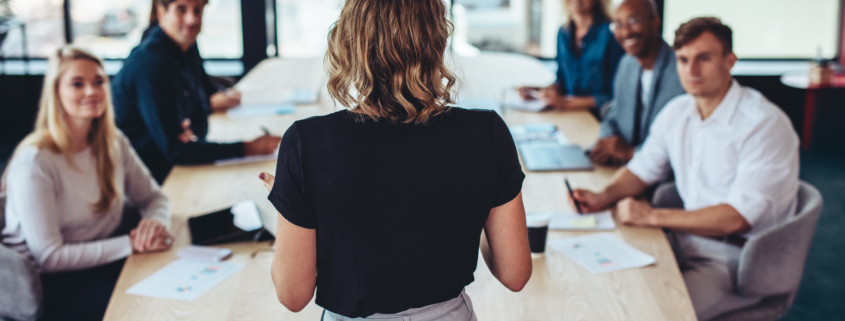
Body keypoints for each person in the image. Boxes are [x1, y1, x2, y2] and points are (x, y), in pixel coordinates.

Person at [257, 0, 533, 319]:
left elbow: (292, 295)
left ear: (348, 41)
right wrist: (475, 198)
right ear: (437, 40)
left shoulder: (306, 143)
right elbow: (514, 274)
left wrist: (295, 203)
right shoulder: (488, 133)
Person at [570, 18, 799, 320]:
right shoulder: (677, 112)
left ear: (729, 61)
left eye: (703, 58)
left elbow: (736, 218)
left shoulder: (763, 124)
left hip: (734, 260)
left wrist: (652, 216)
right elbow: (642, 169)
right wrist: (603, 195)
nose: (691, 71)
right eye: (683, 59)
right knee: (601, 290)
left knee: (648, 314)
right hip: (680, 240)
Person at [0, 46, 173, 321]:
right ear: (56, 93)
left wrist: (155, 223)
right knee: (145, 309)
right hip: (49, 285)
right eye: (77, 84)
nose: (91, 91)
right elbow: (49, 256)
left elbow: (155, 198)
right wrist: (131, 244)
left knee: (170, 286)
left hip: (101, 257)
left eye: (98, 82)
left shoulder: (113, 141)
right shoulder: (35, 162)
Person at [112, 0, 282, 183]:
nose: (192, 19)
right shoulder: (152, 64)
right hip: (148, 175)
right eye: (181, 9)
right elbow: (177, 151)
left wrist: (191, 128)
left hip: (173, 161)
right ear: (161, 12)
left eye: (198, 10)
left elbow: (201, 107)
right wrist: (248, 148)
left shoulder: (185, 44)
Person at [588, 0, 685, 165]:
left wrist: (631, 153)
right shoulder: (626, 64)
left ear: (655, 21)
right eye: (618, 24)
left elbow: (681, 144)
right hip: (624, 168)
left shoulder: (681, 71)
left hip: (660, 176)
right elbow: (613, 114)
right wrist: (607, 141)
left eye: (633, 21)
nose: (625, 32)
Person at [519, 0, 624, 112]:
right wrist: (540, 91)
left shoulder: (611, 34)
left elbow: (617, 95)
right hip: (571, 115)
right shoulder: (563, 33)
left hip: (599, 118)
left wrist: (565, 102)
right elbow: (562, 80)